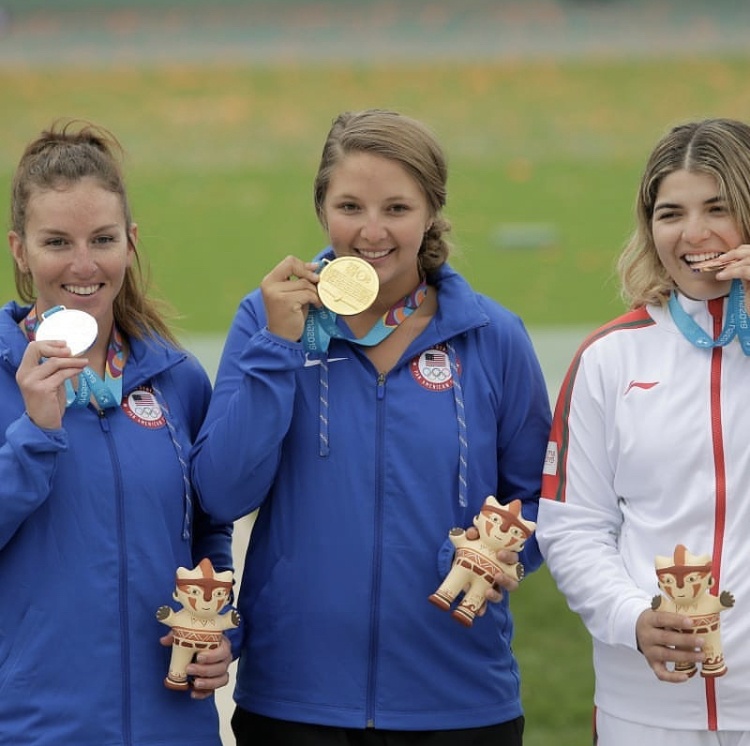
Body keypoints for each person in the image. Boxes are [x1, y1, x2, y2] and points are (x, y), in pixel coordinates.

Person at [191, 108, 551, 746]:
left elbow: (543, 503)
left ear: (431, 212)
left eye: (397, 208)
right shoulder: (268, 320)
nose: (372, 231)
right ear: (322, 209)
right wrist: (279, 346)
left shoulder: (493, 337)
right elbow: (222, 492)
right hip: (296, 703)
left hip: (461, 700)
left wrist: (501, 559)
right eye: (350, 206)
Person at [0, 120, 235, 745]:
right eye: (57, 242)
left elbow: (209, 530)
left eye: (102, 239)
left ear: (130, 243)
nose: (84, 265)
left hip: (174, 727)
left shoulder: (178, 380)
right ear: (20, 250)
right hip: (37, 728)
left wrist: (220, 628)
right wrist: (34, 434)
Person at [536, 117, 750, 745]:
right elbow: (572, 524)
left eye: (719, 207)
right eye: (670, 213)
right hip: (647, 710)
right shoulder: (610, 359)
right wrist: (632, 619)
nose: (694, 234)